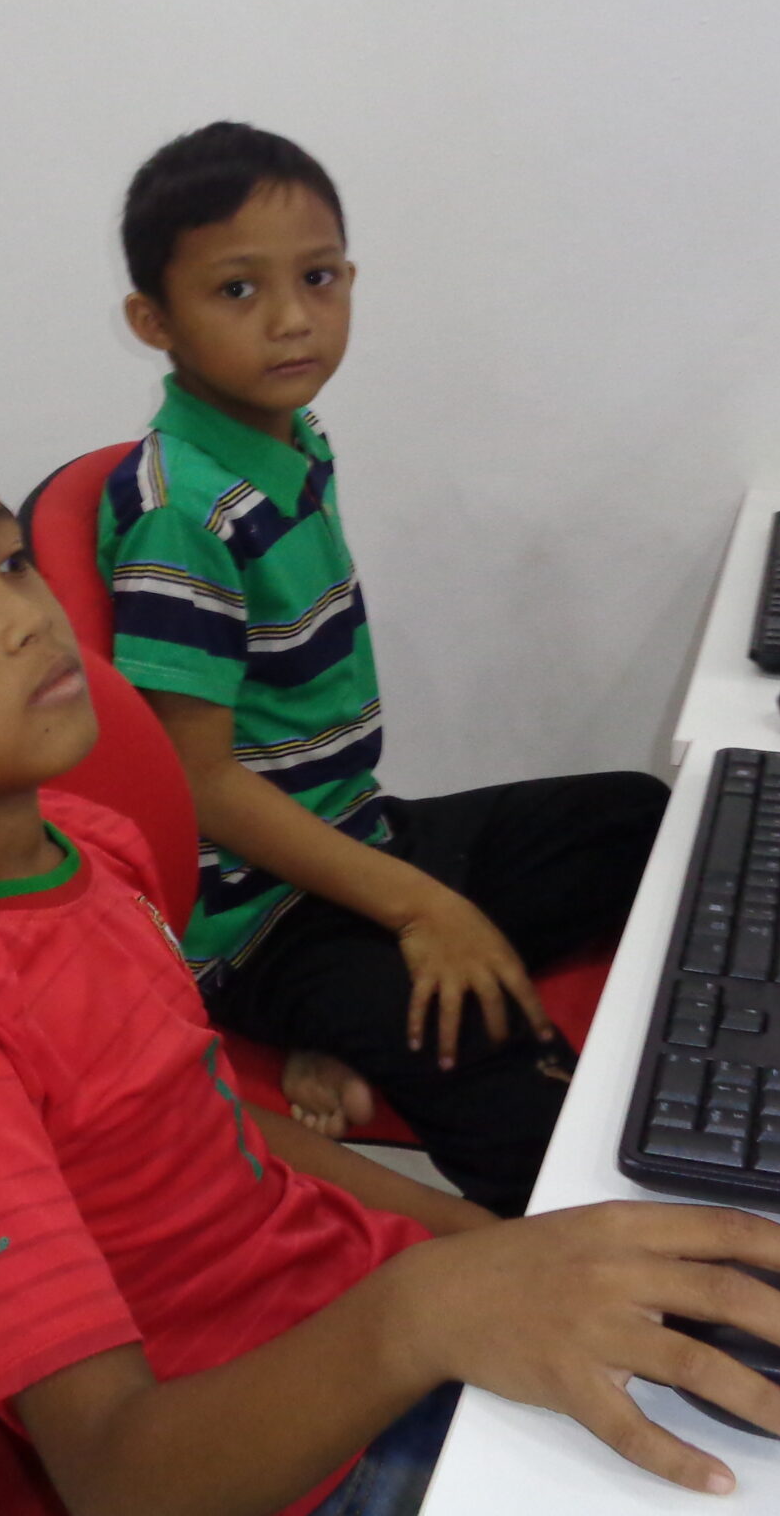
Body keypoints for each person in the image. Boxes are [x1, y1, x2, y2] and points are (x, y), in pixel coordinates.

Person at [0, 398, 780, 1516]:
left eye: (8, 560)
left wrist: (481, 1245)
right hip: (284, 1457)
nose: (25, 616)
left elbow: (203, 1111)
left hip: (355, 1313)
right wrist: (425, 1311)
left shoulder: (82, 842)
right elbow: (117, 1477)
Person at [96, 122, 667, 1214]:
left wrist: (413, 900)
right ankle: (578, 1251)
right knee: (521, 1083)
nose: (291, 318)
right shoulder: (183, 515)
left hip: (355, 835)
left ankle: (353, 1018)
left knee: (641, 820)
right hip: (259, 921)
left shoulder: (293, 438)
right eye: (237, 290)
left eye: (317, 278)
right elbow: (196, 784)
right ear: (152, 322)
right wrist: (416, 910)